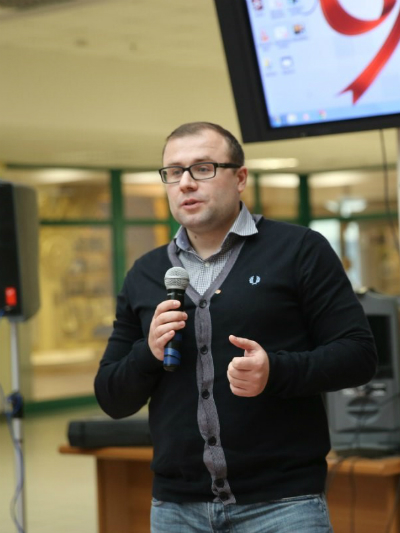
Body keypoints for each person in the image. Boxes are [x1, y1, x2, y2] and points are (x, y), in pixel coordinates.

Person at [94, 122, 377, 532]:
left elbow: (359, 355)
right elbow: (111, 397)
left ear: (240, 177)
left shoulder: (299, 249)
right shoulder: (146, 272)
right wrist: (148, 353)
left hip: (283, 505)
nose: (185, 183)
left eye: (202, 168)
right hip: (176, 509)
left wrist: (275, 370)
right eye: (173, 172)